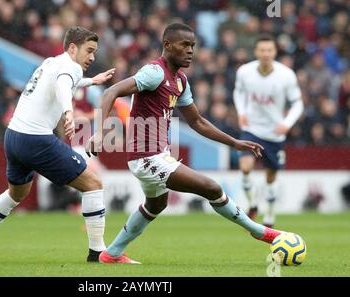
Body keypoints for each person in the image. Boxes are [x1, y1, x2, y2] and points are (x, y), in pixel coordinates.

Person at [86, 23, 285, 264]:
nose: (190, 50)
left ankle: (112, 254)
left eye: (193, 46)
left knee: (156, 205)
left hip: (157, 155)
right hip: (146, 157)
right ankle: (259, 231)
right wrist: (99, 133)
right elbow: (111, 92)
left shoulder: (180, 80)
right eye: (184, 45)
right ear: (167, 45)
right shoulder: (154, 72)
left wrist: (234, 143)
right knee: (211, 187)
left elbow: (197, 121)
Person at [0, 26, 116, 263]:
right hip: (36, 139)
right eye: (89, 50)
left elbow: (63, 81)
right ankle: (97, 253)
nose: (93, 57)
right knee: (93, 184)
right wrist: (68, 111)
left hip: (13, 136)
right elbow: (64, 86)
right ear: (72, 48)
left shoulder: (51, 63)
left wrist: (91, 81)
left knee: (16, 193)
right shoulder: (70, 67)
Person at [233, 35, 303, 227]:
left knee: (271, 178)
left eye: (269, 50)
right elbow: (238, 92)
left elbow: (298, 103)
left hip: (274, 133)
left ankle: (270, 216)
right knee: (245, 168)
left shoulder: (286, 75)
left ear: (275, 52)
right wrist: (241, 112)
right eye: (262, 50)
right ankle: (253, 204)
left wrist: (287, 123)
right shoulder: (245, 72)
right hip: (251, 128)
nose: (265, 53)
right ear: (256, 52)